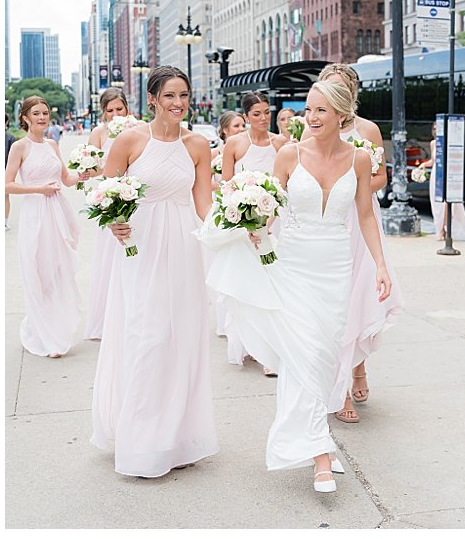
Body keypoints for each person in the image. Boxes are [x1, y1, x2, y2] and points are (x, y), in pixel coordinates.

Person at [201, 81, 392, 493]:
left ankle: (309, 439)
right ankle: (321, 453)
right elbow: (271, 206)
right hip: (294, 266)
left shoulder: (359, 159)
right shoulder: (289, 155)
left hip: (336, 267)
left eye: (322, 110)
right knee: (302, 354)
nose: (313, 117)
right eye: (309, 109)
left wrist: (380, 264)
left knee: (324, 355)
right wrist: (256, 230)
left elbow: (365, 217)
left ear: (342, 114)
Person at [91, 66, 219, 477]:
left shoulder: (198, 145)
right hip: (140, 247)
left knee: (180, 337)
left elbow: (204, 205)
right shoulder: (129, 140)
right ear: (152, 99)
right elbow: (104, 194)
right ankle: (141, 441)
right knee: (146, 336)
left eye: (184, 95)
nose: (178, 103)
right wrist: (114, 222)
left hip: (183, 246)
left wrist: (239, 227)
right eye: (170, 96)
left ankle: (178, 438)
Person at [318, 63, 404, 424]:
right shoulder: (313, 127)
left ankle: (357, 370)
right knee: (333, 301)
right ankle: (337, 384)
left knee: (358, 297)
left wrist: (352, 189)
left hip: (360, 219)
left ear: (351, 93)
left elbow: (381, 176)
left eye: (338, 88)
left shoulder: (367, 130)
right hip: (327, 222)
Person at [218, 91, 289, 373]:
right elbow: (226, 188)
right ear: (246, 116)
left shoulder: (281, 143)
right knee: (247, 286)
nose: (263, 118)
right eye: (256, 114)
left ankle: (272, 350)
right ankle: (250, 344)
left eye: (266, 113)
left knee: (273, 286)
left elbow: (284, 186)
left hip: (274, 223)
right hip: (243, 226)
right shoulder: (234, 144)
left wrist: (267, 223)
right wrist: (245, 221)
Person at [7, 96, 81, 358]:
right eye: (36, 113)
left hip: (57, 213)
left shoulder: (52, 144)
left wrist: (87, 172)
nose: (42, 117)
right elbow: (6, 184)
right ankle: (42, 332)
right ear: (25, 117)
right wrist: (39, 189)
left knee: (56, 271)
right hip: (34, 213)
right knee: (38, 271)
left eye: (45, 113)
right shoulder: (19, 146)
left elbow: (67, 179)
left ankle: (53, 326)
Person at [81, 88, 131, 340]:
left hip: (134, 198)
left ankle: (131, 315)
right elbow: (91, 168)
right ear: (103, 113)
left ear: (127, 109)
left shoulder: (136, 129)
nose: (115, 114)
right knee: (109, 259)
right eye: (109, 110)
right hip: (110, 200)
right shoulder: (98, 134)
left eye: (119, 109)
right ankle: (107, 319)